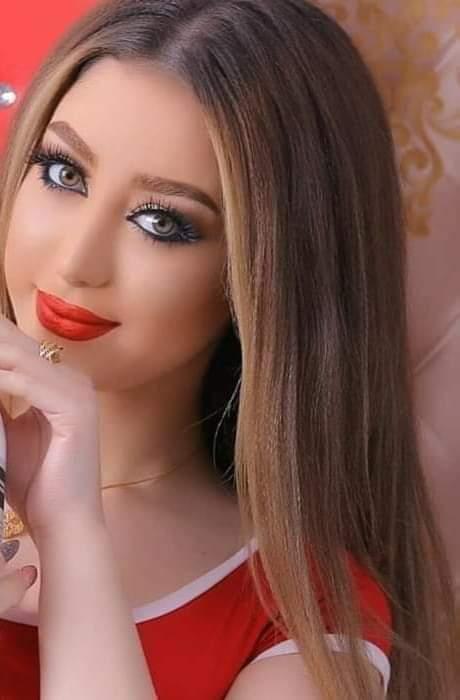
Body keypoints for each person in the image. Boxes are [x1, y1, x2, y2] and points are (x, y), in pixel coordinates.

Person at [0, 0, 456, 698]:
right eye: (64, 173)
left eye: (163, 222)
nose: (77, 262)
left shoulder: (307, 613)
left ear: (269, 275)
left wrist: (71, 533)